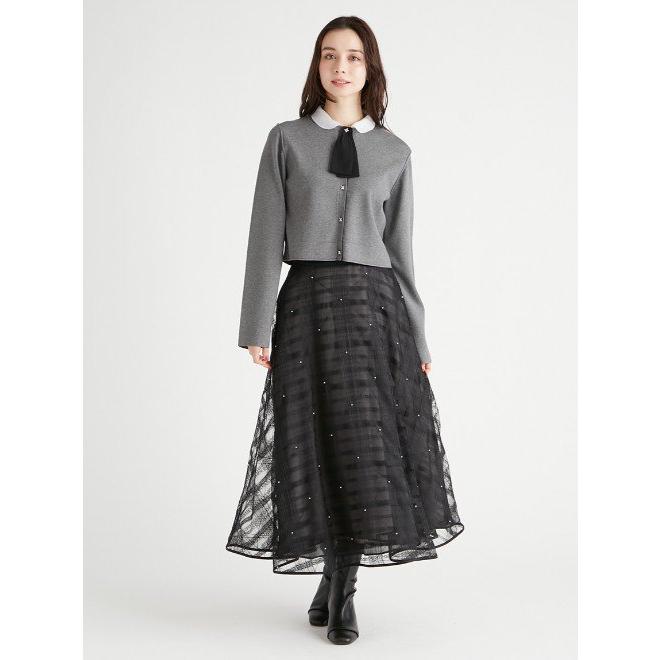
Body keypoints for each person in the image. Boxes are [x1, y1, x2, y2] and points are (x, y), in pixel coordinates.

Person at [226, 15, 465, 645]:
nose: (341, 67)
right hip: (306, 307)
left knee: (363, 449)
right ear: (317, 65)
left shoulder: (395, 153)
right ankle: (331, 578)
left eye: (354, 57)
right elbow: (263, 237)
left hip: (372, 310)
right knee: (312, 445)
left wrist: (418, 337)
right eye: (330, 55)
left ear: (370, 68)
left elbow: (402, 253)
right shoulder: (286, 140)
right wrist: (256, 323)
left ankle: (343, 589)